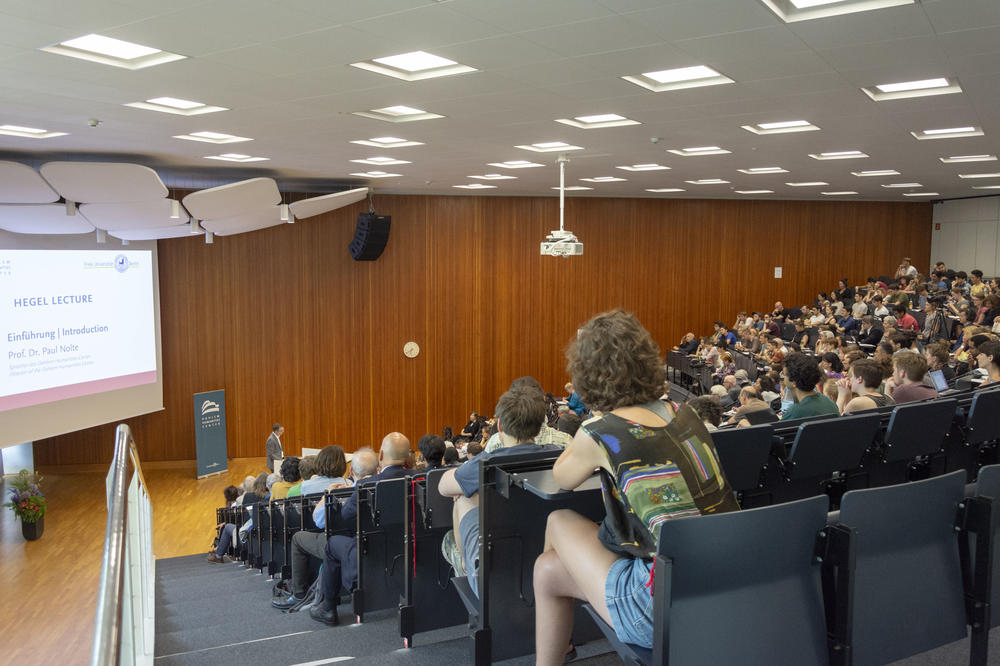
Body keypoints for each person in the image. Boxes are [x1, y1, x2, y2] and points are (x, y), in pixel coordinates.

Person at [532, 310, 738, 664]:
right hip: (729, 581)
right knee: (547, 571)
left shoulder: (601, 431)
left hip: (661, 602)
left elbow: (562, 477)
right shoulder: (685, 411)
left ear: (586, 375)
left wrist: (591, 420)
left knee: (558, 521)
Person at [437, 386, 562, 591]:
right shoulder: (559, 455)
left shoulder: (486, 462)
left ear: (500, 426)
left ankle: (465, 565)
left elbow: (443, 486)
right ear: (539, 428)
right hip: (546, 555)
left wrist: (466, 486)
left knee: (463, 495)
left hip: (495, 575)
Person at [308, 433, 411, 626]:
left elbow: (346, 517)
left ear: (381, 455)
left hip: (370, 550)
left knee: (332, 544)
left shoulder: (365, 485)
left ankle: (328, 608)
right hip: (406, 548)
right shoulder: (417, 478)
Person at [273, 448, 379, 611]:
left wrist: (326, 496)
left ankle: (298, 593)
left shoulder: (305, 486)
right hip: (361, 540)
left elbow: (319, 522)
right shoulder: (350, 484)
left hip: (331, 541)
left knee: (298, 537)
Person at [780, 353, 839, 420]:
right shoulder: (829, 402)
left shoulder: (796, 412)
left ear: (794, 381)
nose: (783, 378)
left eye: (784, 374)